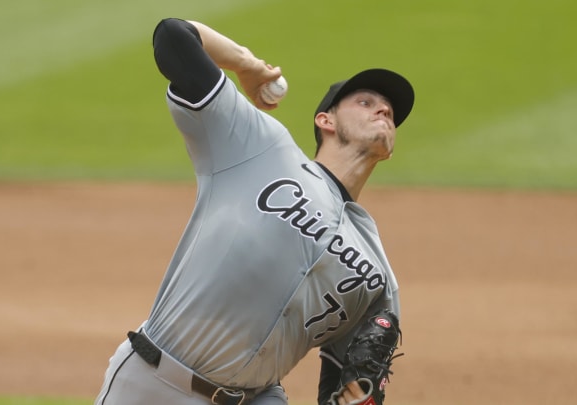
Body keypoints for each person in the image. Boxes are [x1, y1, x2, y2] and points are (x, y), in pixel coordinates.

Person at [95, 16, 414, 405]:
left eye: (390, 112)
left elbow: (349, 386)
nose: (383, 111)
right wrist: (246, 64)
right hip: (156, 384)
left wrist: (354, 399)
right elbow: (174, 38)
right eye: (366, 103)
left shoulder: (377, 272)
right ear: (325, 120)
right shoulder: (262, 147)